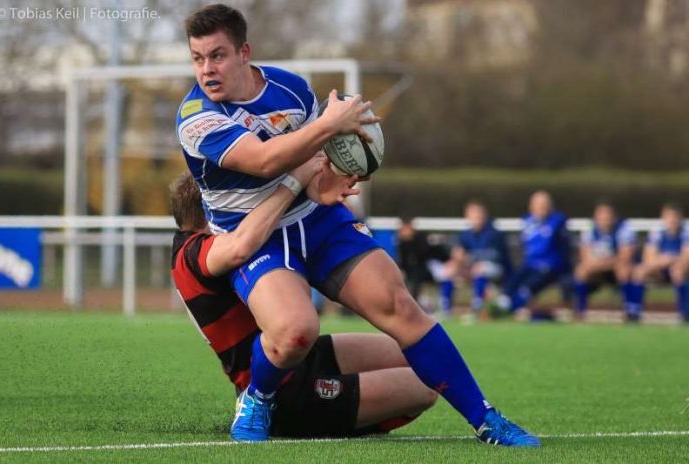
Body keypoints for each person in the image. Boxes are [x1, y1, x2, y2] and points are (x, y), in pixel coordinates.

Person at [177, 4, 539, 446]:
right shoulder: (196, 117)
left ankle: (487, 420)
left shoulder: (289, 89)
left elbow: (321, 160)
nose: (206, 69)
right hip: (257, 233)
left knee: (402, 308)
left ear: (243, 52)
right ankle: (258, 396)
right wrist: (330, 126)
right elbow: (265, 160)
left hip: (317, 219)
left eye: (217, 56)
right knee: (295, 332)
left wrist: (341, 172)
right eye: (197, 58)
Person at [170, 163, 438, 438]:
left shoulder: (196, 248)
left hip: (301, 358)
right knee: (426, 387)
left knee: (423, 357)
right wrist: (296, 179)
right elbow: (243, 243)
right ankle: (279, 411)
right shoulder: (197, 253)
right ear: (210, 209)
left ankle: (346, 414)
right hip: (285, 389)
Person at [497, 191, 571, 313]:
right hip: (530, 264)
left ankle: (511, 310)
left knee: (528, 287)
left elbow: (560, 249)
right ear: (531, 206)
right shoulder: (527, 221)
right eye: (538, 204)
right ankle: (499, 308)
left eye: (545, 204)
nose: (542, 207)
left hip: (550, 266)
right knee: (511, 283)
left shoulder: (557, 221)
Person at [572, 201, 636, 318]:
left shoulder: (623, 227)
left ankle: (630, 311)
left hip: (615, 268)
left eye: (608, 216)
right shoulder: (590, 229)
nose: (605, 219)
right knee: (581, 270)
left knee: (624, 270)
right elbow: (585, 256)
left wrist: (607, 262)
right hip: (598, 268)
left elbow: (625, 257)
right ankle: (579, 311)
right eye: (601, 216)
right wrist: (600, 263)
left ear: (614, 216)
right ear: (596, 217)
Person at [627, 203, 689, 322]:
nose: (672, 220)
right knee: (639, 271)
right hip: (660, 269)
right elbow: (649, 257)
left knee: (678, 272)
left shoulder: (686, 231)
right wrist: (662, 261)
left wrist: (670, 259)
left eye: (674, 217)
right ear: (664, 218)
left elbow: (686, 257)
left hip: (681, 269)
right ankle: (633, 312)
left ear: (680, 217)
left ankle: (685, 313)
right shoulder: (657, 231)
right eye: (668, 217)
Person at [450, 200, 512, 317]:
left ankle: (478, 305)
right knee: (449, 270)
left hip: (496, 268)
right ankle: (446, 308)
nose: (476, 219)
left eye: (479, 216)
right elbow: (459, 252)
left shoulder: (494, 233)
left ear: (485, 215)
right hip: (471, 267)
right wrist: (457, 259)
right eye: (473, 216)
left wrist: (471, 259)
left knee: (480, 268)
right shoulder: (465, 234)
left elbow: (496, 256)